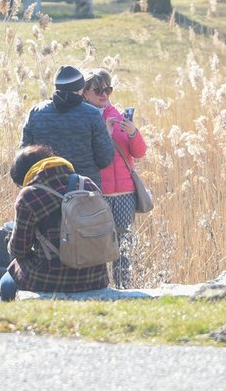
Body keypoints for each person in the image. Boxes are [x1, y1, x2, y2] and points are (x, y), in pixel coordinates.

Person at [0, 144, 109, 300]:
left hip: (50, 280)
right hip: (95, 277)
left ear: (25, 177)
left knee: (5, 285)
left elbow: (19, 250)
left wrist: (11, 236)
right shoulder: (87, 184)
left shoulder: (30, 195)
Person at [83, 68, 147, 288]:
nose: (104, 95)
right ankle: (99, 287)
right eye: (98, 90)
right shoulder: (83, 118)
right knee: (98, 242)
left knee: (124, 245)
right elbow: (88, 155)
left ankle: (123, 289)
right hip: (98, 192)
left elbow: (138, 153)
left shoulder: (118, 116)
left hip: (125, 193)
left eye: (108, 89)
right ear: (84, 93)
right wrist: (105, 133)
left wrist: (133, 133)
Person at [19, 64, 113, 188]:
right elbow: (105, 159)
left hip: (45, 191)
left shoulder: (36, 112)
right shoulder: (92, 114)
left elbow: (24, 155)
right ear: (80, 89)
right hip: (84, 191)